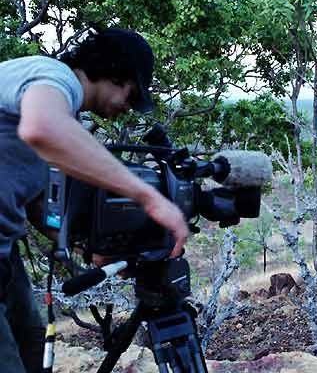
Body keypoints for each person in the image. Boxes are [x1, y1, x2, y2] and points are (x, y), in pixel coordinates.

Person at [0, 28, 189, 373]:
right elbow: (40, 126)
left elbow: (40, 206)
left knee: (30, 342)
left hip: (4, 254)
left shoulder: (62, 113)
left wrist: (93, 248)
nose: (126, 108)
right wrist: (149, 198)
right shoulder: (54, 77)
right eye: (131, 95)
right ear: (115, 72)